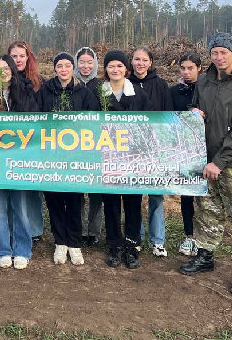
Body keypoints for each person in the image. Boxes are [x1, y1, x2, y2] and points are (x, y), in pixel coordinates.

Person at [179, 33, 232, 297]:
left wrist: (219, 161)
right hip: (206, 159)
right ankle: (206, 255)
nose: (219, 57)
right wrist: (193, 111)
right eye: (214, 53)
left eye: (223, 53)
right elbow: (196, 107)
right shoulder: (204, 81)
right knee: (208, 210)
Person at [37, 53, 98, 266]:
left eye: (67, 66)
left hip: (76, 158)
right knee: (54, 201)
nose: (63, 70)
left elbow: (94, 120)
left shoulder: (84, 92)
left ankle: (75, 243)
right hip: (51, 157)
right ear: (55, 69)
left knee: (74, 201)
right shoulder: (45, 91)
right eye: (59, 66)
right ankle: (60, 242)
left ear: (73, 69)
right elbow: (36, 119)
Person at [0, 55, 39, 269]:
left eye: (7, 67)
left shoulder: (25, 88)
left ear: (13, 69)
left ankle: (22, 249)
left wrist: (12, 105)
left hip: (19, 158)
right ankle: (3, 250)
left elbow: (33, 117)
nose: (3, 71)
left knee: (20, 207)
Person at [100, 50, 152, 269]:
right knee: (111, 204)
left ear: (126, 69)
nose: (115, 70)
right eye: (111, 66)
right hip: (107, 159)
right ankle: (114, 245)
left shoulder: (139, 95)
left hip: (133, 160)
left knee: (132, 203)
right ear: (106, 70)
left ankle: (131, 246)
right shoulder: (98, 94)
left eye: (119, 66)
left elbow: (150, 126)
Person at [129, 46, 171, 258]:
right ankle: (136, 237)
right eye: (136, 59)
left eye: (144, 60)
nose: (140, 63)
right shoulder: (126, 85)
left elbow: (168, 116)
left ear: (150, 62)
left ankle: (158, 240)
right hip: (132, 150)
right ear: (132, 61)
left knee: (156, 196)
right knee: (134, 196)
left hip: (156, 150)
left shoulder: (161, 85)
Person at [7, 40, 45, 243]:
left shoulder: (39, 82)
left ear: (28, 57)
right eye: (14, 56)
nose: (18, 60)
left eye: (22, 56)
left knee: (32, 188)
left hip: (33, 142)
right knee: (12, 187)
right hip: (10, 143)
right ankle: (15, 227)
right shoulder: (3, 80)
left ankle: (35, 229)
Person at [170, 53, 203, 256]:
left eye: (191, 68)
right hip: (184, 149)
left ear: (199, 68)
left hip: (207, 148)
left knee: (207, 197)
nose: (186, 72)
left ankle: (205, 239)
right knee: (187, 195)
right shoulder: (174, 92)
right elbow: (167, 117)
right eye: (183, 68)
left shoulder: (207, 89)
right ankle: (189, 236)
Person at [74, 47, 102, 247]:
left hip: (97, 145)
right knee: (77, 190)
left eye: (89, 62)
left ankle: (94, 231)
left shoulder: (101, 86)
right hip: (74, 146)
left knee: (95, 192)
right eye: (81, 62)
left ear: (95, 64)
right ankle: (80, 229)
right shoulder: (70, 84)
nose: (85, 66)